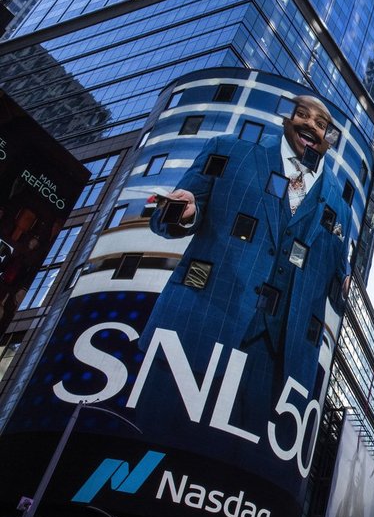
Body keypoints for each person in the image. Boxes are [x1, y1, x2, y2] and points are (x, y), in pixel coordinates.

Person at [140, 95, 350, 439]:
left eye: (321, 123)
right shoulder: (229, 150)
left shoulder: (339, 209)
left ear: (327, 138)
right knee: (151, 441)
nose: (310, 125)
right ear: (288, 119)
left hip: (278, 366)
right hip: (197, 333)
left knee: (234, 473)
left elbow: (338, 289)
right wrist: (182, 211)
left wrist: (346, 291)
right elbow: (169, 218)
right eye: (302, 114)